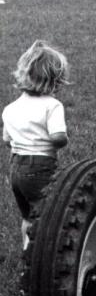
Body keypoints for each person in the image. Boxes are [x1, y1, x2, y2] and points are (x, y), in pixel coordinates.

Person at [2, 41, 71, 251]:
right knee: (49, 217)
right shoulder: (52, 105)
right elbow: (58, 137)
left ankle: (27, 252)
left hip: (16, 169)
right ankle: (41, 257)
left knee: (28, 216)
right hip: (40, 168)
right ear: (54, 81)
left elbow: (7, 140)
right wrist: (63, 140)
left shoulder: (10, 108)